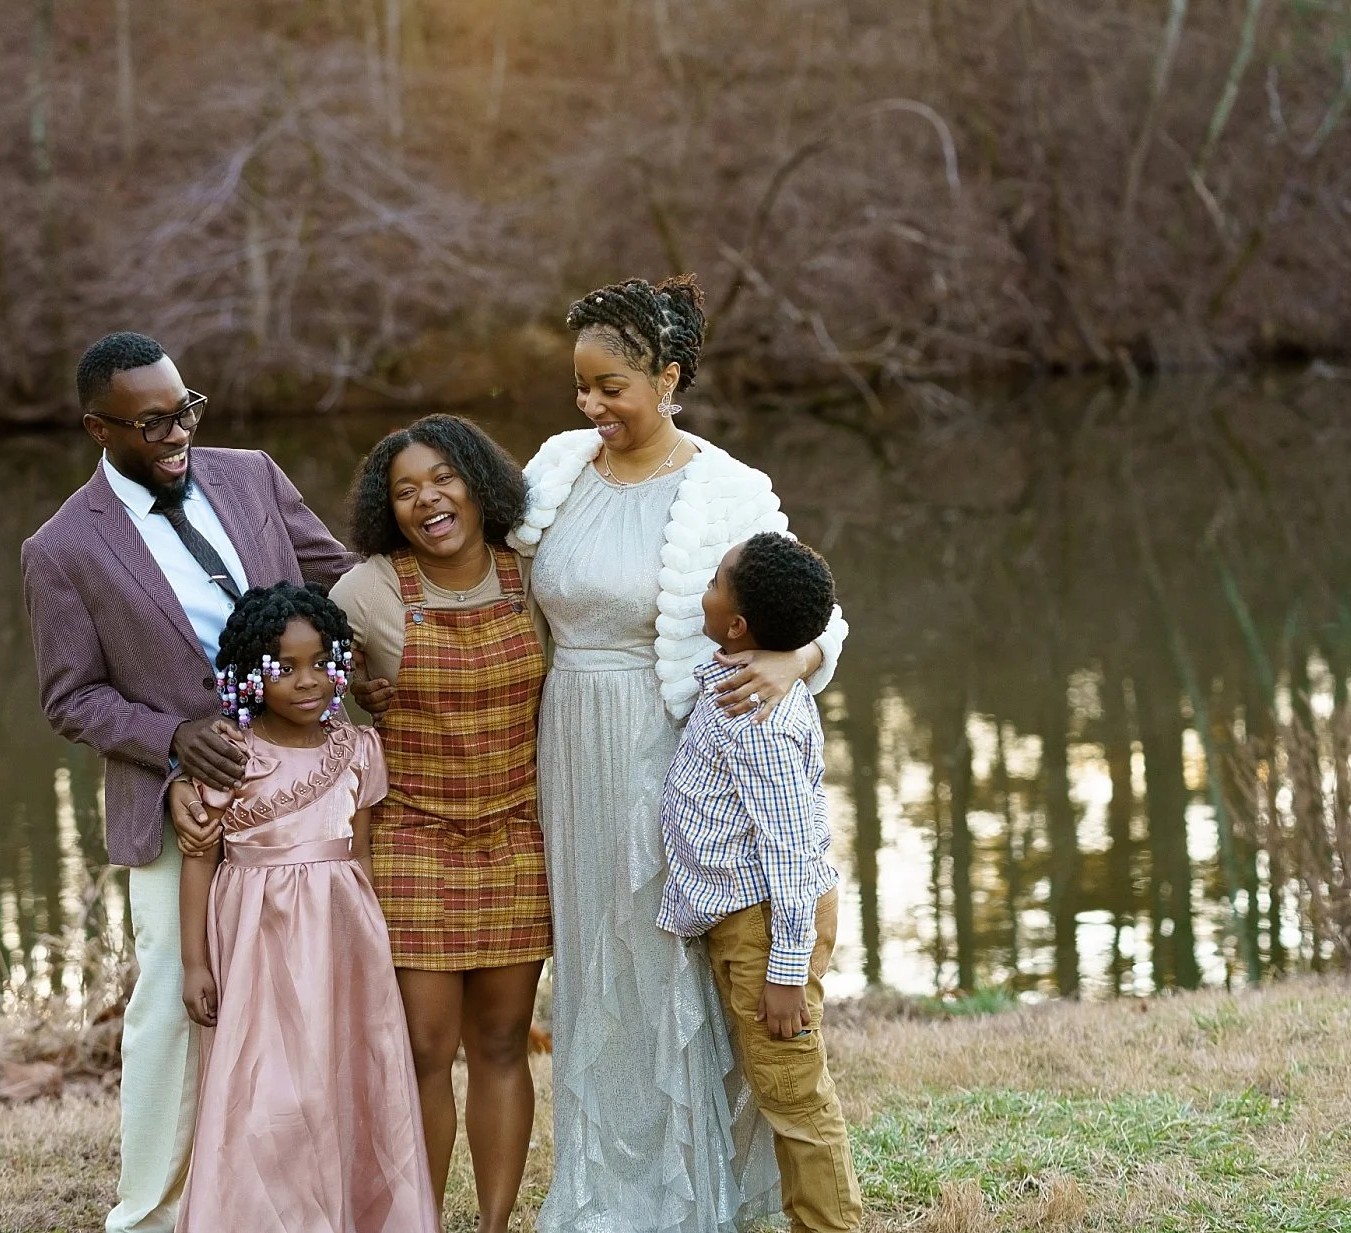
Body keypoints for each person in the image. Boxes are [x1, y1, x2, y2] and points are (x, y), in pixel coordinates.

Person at [509, 274, 848, 1233]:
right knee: (594, 959)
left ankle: (685, 1192)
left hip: (670, 752)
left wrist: (794, 661)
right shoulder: (560, 466)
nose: (591, 406)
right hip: (569, 739)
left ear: (668, 377)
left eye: (611, 385)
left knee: (661, 962)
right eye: (580, 385)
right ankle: (603, 1188)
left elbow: (819, 606)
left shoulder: (725, 490)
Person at [20, 331, 359, 1233]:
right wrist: (172, 739)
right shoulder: (60, 548)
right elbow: (72, 697)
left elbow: (341, 584)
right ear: (100, 428)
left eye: (187, 410)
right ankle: (152, 1212)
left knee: (301, 991)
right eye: (153, 423)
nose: (178, 435)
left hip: (303, 783)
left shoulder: (251, 474)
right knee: (175, 996)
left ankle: (286, 1192)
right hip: (176, 802)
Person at [327, 415, 550, 1233]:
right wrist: (355, 694)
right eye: (406, 491)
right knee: (421, 1047)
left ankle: (492, 1225)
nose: (428, 500)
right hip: (413, 838)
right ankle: (416, 1221)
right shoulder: (369, 589)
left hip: (515, 836)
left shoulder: (532, 573)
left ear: (478, 483)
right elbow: (306, 679)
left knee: (500, 1042)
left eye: (443, 479)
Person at [173, 582, 439, 1233]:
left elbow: (363, 851)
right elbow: (200, 861)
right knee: (264, 1085)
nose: (308, 681)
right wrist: (194, 963)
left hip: (343, 934)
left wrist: (376, 940)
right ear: (246, 675)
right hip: (256, 937)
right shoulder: (229, 756)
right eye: (284, 667)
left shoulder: (357, 748)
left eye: (322, 662)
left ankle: (353, 1212)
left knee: (342, 1072)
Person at [657, 534, 863, 1233]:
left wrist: (783, 972)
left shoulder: (759, 715)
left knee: (792, 1090)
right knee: (779, 1081)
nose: (703, 591)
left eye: (714, 581)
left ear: (739, 623)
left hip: (766, 921)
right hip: (745, 916)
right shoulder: (739, 678)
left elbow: (788, 849)